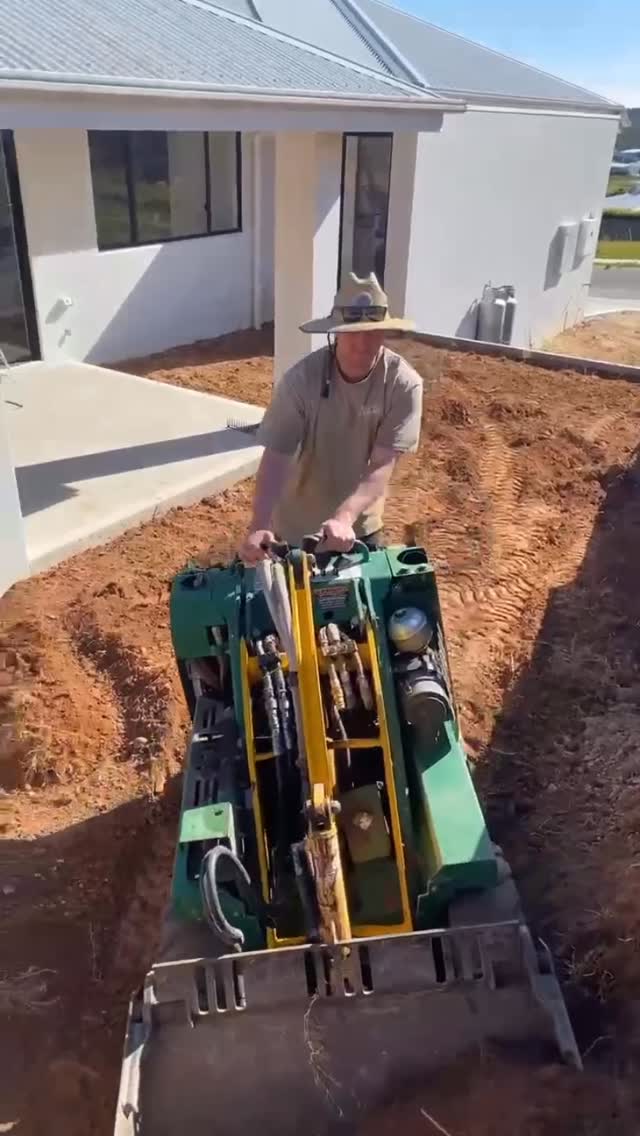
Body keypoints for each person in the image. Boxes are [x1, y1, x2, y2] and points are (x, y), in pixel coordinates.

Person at [239, 272, 423, 564]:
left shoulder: (402, 384)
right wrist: (260, 524)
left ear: (384, 333)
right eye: (353, 332)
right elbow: (277, 455)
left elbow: (381, 465)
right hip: (295, 527)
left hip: (357, 530)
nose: (362, 343)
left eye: (372, 332)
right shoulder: (300, 381)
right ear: (336, 332)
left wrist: (345, 517)